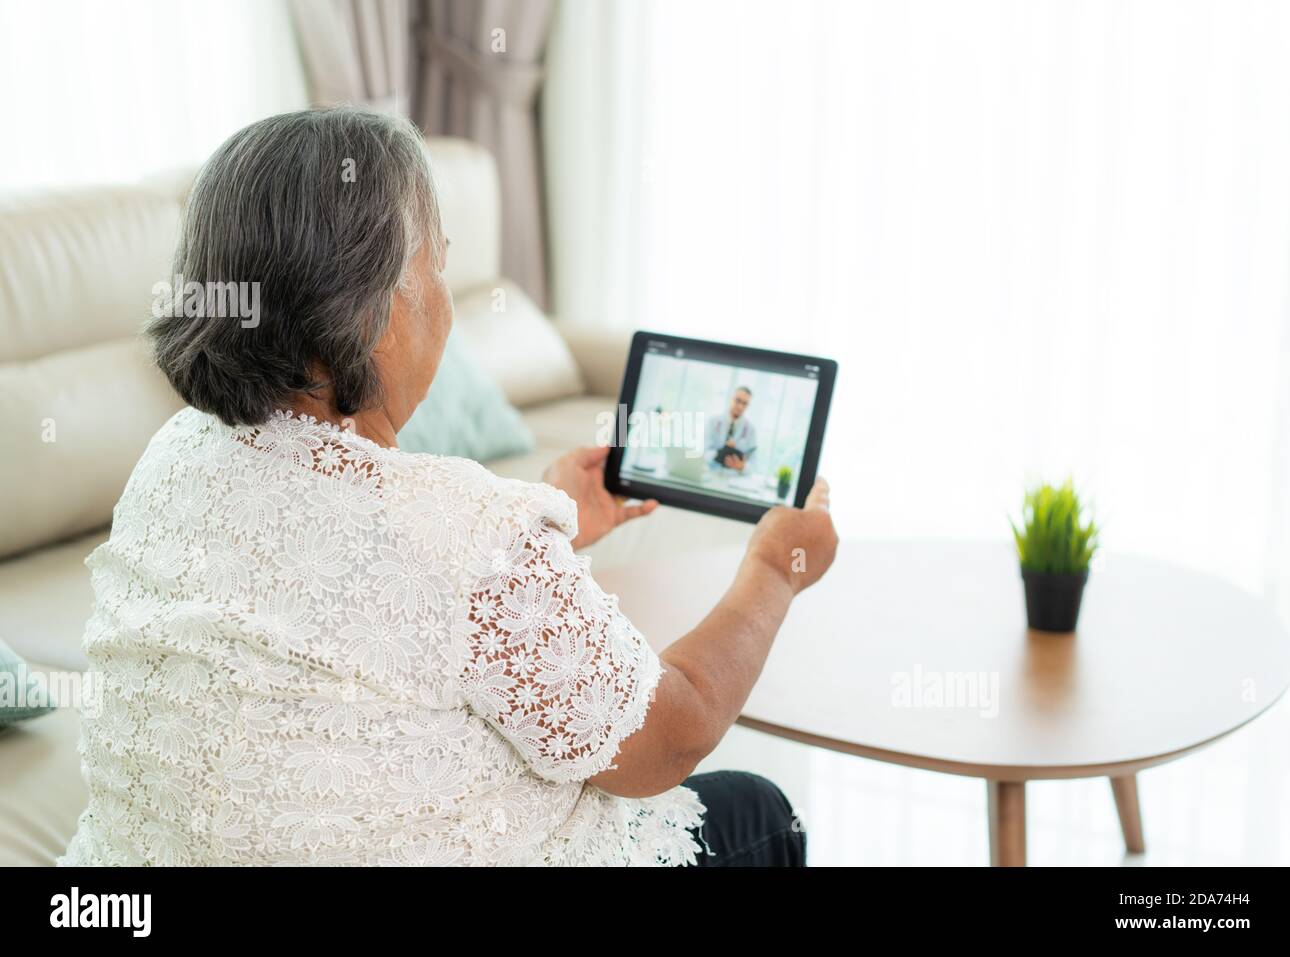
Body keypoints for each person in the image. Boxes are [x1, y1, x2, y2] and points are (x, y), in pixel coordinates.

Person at [60, 108, 838, 867]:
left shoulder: (172, 459)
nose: (448, 299)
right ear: (373, 311)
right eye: (437, 266)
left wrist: (533, 541)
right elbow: (672, 732)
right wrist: (774, 570)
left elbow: (356, 591)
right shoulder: (472, 539)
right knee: (760, 809)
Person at [705, 386, 759, 472]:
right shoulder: (713, 422)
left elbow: (753, 464)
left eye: (745, 403)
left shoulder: (751, 430)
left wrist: (742, 466)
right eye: (738, 401)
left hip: (734, 479)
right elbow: (704, 453)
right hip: (711, 473)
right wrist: (721, 452)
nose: (740, 407)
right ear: (731, 399)